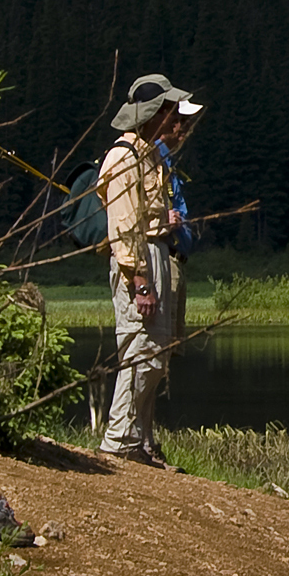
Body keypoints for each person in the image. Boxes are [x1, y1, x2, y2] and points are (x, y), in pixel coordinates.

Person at [95, 73, 201, 462]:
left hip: (155, 252)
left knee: (155, 352)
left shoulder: (151, 154)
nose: (176, 118)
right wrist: (139, 279)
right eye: (170, 110)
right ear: (152, 113)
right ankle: (119, 440)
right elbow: (123, 225)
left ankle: (134, 438)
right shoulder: (123, 157)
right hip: (139, 259)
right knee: (140, 349)